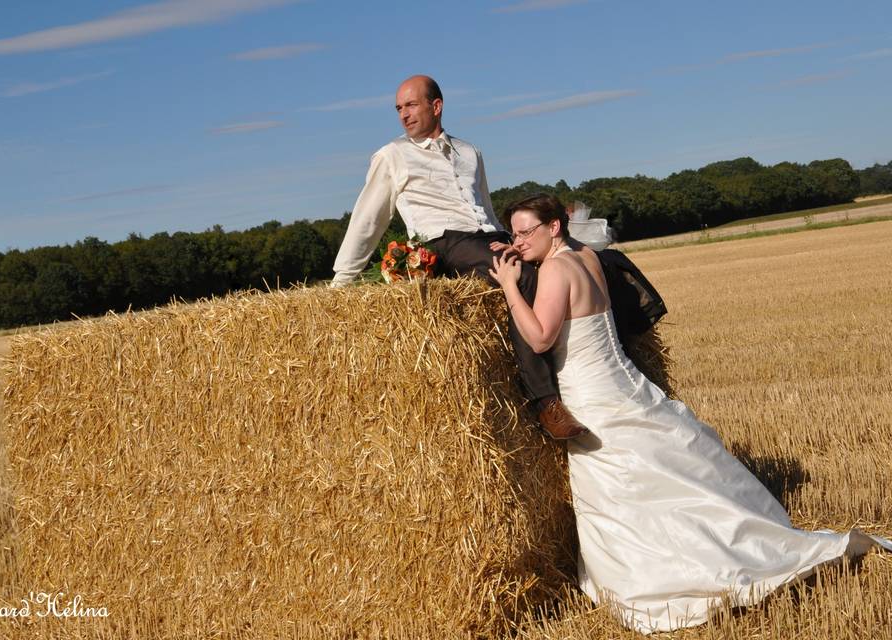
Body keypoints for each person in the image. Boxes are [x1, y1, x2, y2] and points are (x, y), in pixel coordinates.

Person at [488, 193, 892, 634]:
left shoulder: (555, 270)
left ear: (554, 228)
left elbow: (542, 338)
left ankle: (678, 571)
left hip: (592, 393)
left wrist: (510, 286)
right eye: (513, 232)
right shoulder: (587, 257)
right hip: (620, 380)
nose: (518, 241)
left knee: (622, 480)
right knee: (663, 466)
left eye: (526, 231)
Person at [330, 75, 586, 439]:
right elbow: (368, 220)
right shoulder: (392, 156)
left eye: (411, 105)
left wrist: (512, 241)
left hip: (488, 236)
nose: (403, 114)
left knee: (576, 260)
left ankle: (599, 361)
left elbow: (486, 209)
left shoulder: (470, 152)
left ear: (436, 106)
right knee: (523, 276)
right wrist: (343, 280)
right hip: (443, 243)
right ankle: (545, 403)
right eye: (399, 108)